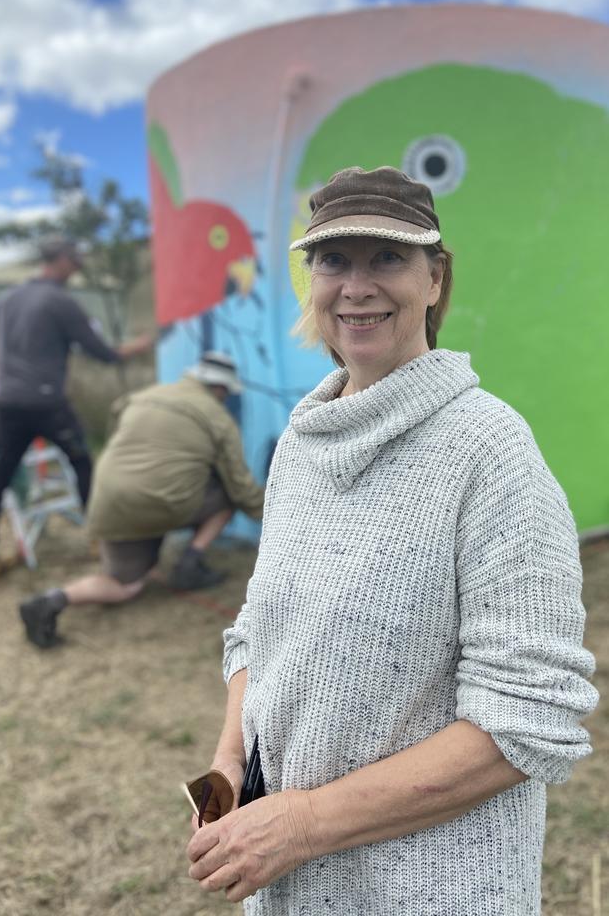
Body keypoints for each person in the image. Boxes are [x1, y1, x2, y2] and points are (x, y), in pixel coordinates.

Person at [186, 167, 598, 914]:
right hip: (289, 882)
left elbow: (528, 716)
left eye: (388, 258)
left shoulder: (490, 450)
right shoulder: (300, 444)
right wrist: (229, 761)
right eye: (333, 261)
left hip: (431, 890)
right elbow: (260, 630)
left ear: (435, 279)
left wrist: (303, 823)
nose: (357, 286)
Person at [19, 351, 264, 649]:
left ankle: (52, 600)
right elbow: (240, 486)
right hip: (165, 504)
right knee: (225, 495)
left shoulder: (142, 397)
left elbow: (115, 433)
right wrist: (274, 516)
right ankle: (190, 563)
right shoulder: (218, 418)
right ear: (220, 389)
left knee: (123, 585)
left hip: (109, 502)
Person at [0, 235, 153, 585]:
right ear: (61, 260)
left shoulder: (8, 298)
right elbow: (101, 352)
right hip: (45, 402)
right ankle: (99, 540)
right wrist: (140, 346)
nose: (78, 266)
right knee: (83, 463)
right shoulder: (60, 302)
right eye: (75, 260)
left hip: (6, 400)